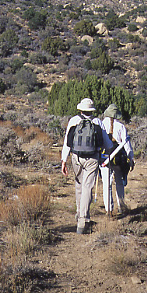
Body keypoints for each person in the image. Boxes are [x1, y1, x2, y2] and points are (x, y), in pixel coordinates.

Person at [61, 98, 112, 234]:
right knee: (87, 187)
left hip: (76, 157)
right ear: (92, 110)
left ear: (81, 109)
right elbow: (107, 144)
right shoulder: (97, 122)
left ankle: (79, 213)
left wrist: (63, 160)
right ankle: (83, 220)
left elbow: (67, 142)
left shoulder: (74, 121)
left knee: (79, 185)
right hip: (92, 158)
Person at [100, 104, 135, 216]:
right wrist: (131, 158)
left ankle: (108, 210)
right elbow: (127, 145)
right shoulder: (121, 126)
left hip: (104, 158)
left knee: (107, 184)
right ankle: (121, 206)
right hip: (119, 159)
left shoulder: (101, 125)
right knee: (119, 182)